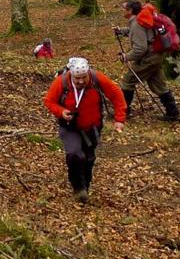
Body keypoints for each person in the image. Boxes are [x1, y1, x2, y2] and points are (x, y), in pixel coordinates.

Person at [43, 57, 127, 203]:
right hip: (70, 127)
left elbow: (116, 94)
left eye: (84, 77)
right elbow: (49, 101)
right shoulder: (61, 82)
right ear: (71, 75)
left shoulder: (97, 78)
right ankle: (77, 188)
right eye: (77, 78)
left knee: (89, 159)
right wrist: (61, 112)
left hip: (93, 127)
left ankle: (85, 187)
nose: (81, 81)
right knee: (75, 155)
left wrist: (119, 119)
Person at [114, 0, 180, 121]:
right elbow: (139, 33)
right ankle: (173, 113)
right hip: (156, 56)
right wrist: (122, 31)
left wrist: (126, 56)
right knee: (159, 85)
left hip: (149, 58)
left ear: (130, 11)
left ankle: (123, 112)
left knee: (127, 81)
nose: (121, 10)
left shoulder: (137, 23)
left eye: (123, 8)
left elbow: (140, 48)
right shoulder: (141, 20)